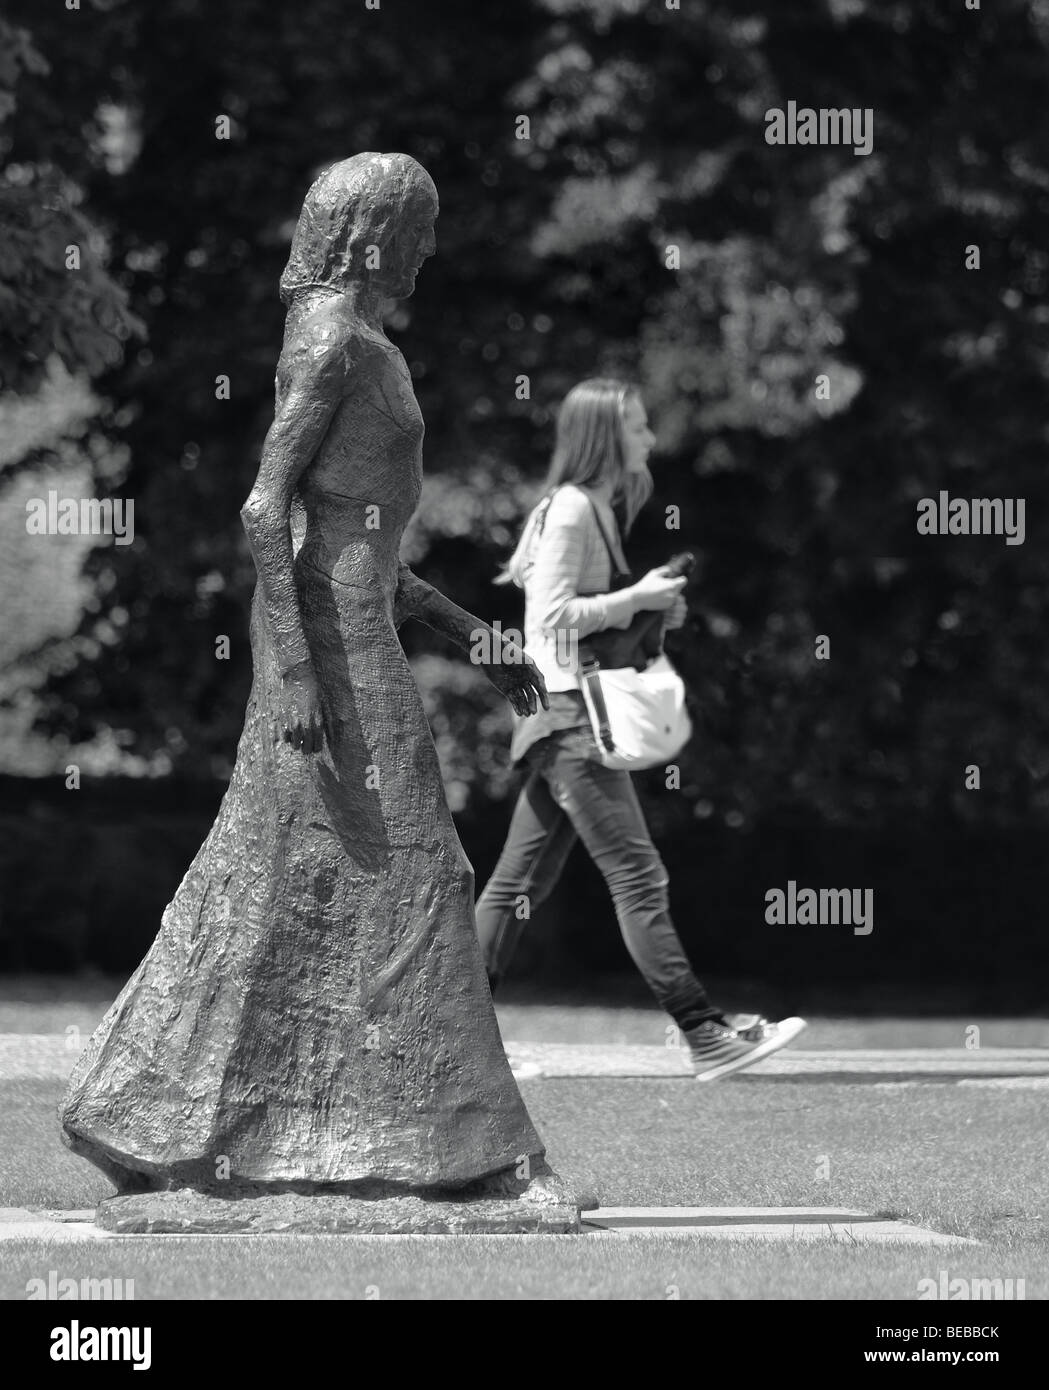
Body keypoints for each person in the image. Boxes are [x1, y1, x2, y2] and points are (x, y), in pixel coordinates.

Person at [61, 153, 556, 1194]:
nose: (427, 251)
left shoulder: (360, 341)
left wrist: (476, 638)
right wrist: (294, 677)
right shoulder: (332, 342)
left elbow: (364, 545)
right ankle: (471, 1159)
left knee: (285, 877)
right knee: (423, 872)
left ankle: (152, 1116)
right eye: (418, 229)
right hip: (325, 647)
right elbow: (263, 510)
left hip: (351, 624)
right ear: (375, 232)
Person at [476, 378, 806, 1080]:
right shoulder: (570, 508)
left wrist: (646, 612)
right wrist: (636, 598)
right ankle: (704, 1032)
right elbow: (550, 620)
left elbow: (587, 617)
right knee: (636, 874)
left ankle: (450, 1040)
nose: (649, 438)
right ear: (603, 435)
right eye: (636, 426)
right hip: (568, 717)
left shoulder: (590, 507)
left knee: (517, 885)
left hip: (560, 711)